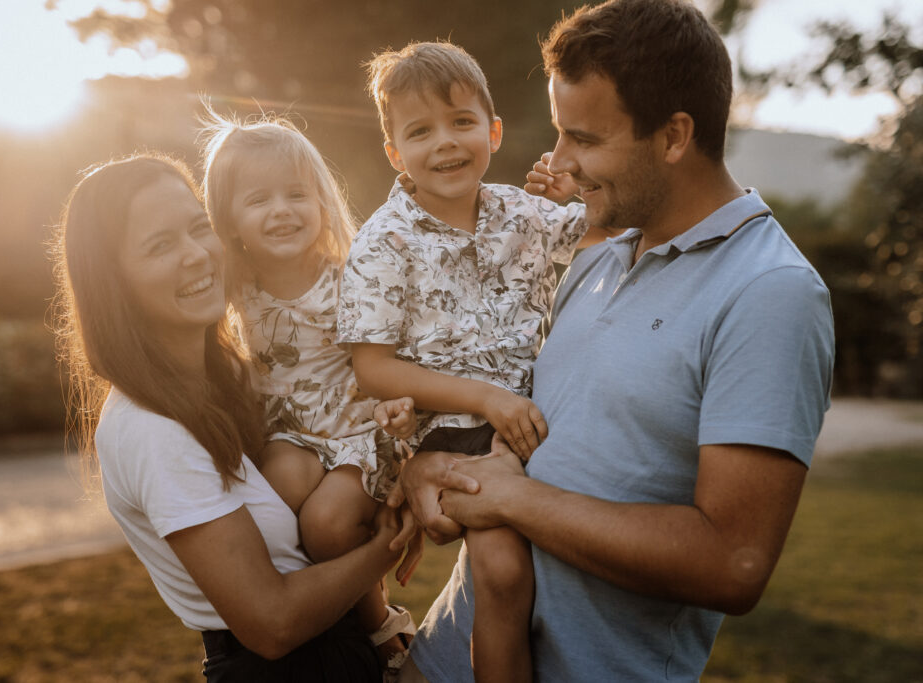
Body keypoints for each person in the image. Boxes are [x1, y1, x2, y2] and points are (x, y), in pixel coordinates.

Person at [396, 1, 836, 681]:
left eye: (585, 139)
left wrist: (516, 500)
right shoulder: (597, 260)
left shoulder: (770, 293)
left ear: (674, 135)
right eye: (559, 134)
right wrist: (434, 467)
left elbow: (733, 563)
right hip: (438, 659)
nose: (561, 161)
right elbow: (528, 437)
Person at [52, 153, 418, 682]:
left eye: (199, 228)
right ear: (115, 281)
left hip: (344, 648)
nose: (197, 255)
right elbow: (273, 625)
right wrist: (386, 547)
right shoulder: (152, 429)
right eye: (160, 246)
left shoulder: (235, 375)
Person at [338, 41, 611, 683]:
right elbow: (372, 369)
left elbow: (599, 232)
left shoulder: (520, 211)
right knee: (503, 570)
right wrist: (485, 399)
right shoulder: (383, 241)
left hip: (543, 409)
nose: (445, 144)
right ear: (394, 152)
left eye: (461, 122)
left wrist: (575, 188)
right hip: (457, 429)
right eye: (420, 131)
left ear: (492, 131)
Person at [200, 113, 421, 676]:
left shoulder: (350, 278)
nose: (281, 210)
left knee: (324, 527)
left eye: (296, 194)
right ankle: (309, 614)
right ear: (228, 219)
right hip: (291, 435)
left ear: (322, 202)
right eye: (258, 199)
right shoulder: (235, 286)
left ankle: (380, 626)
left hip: (359, 433)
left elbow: (396, 351)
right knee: (270, 499)